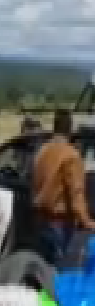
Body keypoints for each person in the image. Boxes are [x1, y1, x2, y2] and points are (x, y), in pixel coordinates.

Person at [32, 109, 95, 263]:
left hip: (41, 222)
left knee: (43, 274)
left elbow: (35, 185)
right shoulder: (71, 155)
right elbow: (76, 194)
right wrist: (87, 222)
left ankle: (43, 289)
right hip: (60, 224)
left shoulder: (41, 152)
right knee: (59, 274)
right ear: (70, 129)